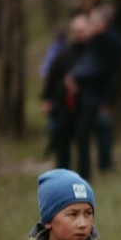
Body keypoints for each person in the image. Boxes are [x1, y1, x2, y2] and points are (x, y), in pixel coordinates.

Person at [65, 4, 121, 179]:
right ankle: (87, 169)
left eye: (93, 21)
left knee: (90, 133)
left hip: (96, 97)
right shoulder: (95, 41)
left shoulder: (108, 41)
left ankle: (91, 170)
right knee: (85, 134)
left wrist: (76, 78)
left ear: (102, 23)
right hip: (88, 96)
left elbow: (98, 68)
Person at [41, 14, 91, 170]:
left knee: (83, 139)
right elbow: (52, 77)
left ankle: (84, 174)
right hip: (64, 104)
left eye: (82, 30)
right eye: (77, 31)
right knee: (62, 140)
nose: (80, 34)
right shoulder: (65, 54)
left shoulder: (94, 53)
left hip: (86, 104)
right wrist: (47, 98)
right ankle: (62, 173)